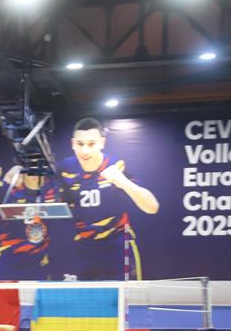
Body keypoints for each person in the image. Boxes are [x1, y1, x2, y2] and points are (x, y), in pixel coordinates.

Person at [59, 117, 160, 280]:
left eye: (91, 144)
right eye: (80, 144)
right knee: (85, 295)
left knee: (123, 296)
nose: (85, 151)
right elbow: (59, 203)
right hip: (84, 247)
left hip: (117, 244)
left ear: (102, 143)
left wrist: (122, 182)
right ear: (72, 144)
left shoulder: (117, 165)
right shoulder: (66, 168)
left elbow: (152, 207)